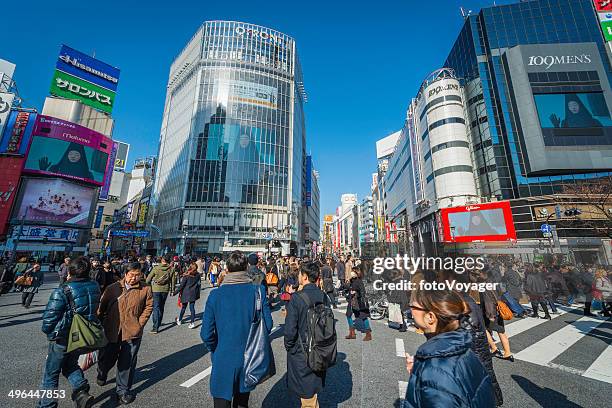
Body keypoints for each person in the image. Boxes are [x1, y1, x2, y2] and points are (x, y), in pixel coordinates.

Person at [201, 251, 273, 408]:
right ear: (246, 267)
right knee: (242, 402)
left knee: (221, 401)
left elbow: (206, 333)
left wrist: (215, 348)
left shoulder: (215, 295)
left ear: (227, 269)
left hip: (223, 356)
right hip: (250, 357)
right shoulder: (258, 291)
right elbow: (268, 324)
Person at [404, 288, 495, 408]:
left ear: (430, 317)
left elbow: (441, 386)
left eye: (413, 307)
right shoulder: (462, 348)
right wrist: (420, 372)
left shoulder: (435, 369)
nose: (410, 310)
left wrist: (427, 372)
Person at [38, 257, 101, 408]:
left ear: (70, 271)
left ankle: (47, 404)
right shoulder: (94, 286)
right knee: (70, 365)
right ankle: (81, 392)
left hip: (62, 337)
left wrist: (50, 333)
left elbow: (48, 321)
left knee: (51, 373)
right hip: (81, 336)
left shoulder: (63, 290)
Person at [97, 262, 153, 405]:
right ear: (125, 274)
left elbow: (149, 307)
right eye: (131, 275)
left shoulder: (145, 289)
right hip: (112, 329)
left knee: (127, 362)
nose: (134, 278)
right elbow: (101, 307)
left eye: (137, 275)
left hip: (132, 331)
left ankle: (123, 390)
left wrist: (140, 324)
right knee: (107, 357)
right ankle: (102, 371)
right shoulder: (113, 288)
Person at [284, 261, 328, 408]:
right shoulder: (323, 296)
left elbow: (290, 330)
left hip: (302, 351)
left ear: (304, 277)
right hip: (320, 349)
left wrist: (289, 347)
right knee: (311, 392)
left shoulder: (297, 298)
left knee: (307, 396)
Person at [146, 254, 176, 334]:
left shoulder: (156, 268)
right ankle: (158, 323)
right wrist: (172, 290)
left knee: (156, 307)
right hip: (165, 290)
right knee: (161, 307)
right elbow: (173, 281)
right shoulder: (171, 269)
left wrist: (148, 286)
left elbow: (148, 280)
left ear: (162, 259)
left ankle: (155, 327)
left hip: (155, 289)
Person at [345, 267, 372, 341]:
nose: (351, 273)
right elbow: (346, 287)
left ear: (357, 273)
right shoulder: (352, 280)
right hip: (352, 301)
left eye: (353, 272)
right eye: (351, 271)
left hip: (358, 302)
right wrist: (348, 282)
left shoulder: (359, 281)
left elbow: (362, 291)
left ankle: (368, 333)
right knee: (348, 315)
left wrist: (356, 292)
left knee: (363, 316)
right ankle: (352, 333)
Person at [174, 262, 201, 328]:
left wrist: (175, 292)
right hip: (193, 293)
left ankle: (179, 320)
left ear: (190, 267)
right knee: (192, 308)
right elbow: (199, 284)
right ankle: (192, 323)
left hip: (186, 293)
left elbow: (181, 286)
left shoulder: (186, 276)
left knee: (183, 307)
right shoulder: (198, 275)